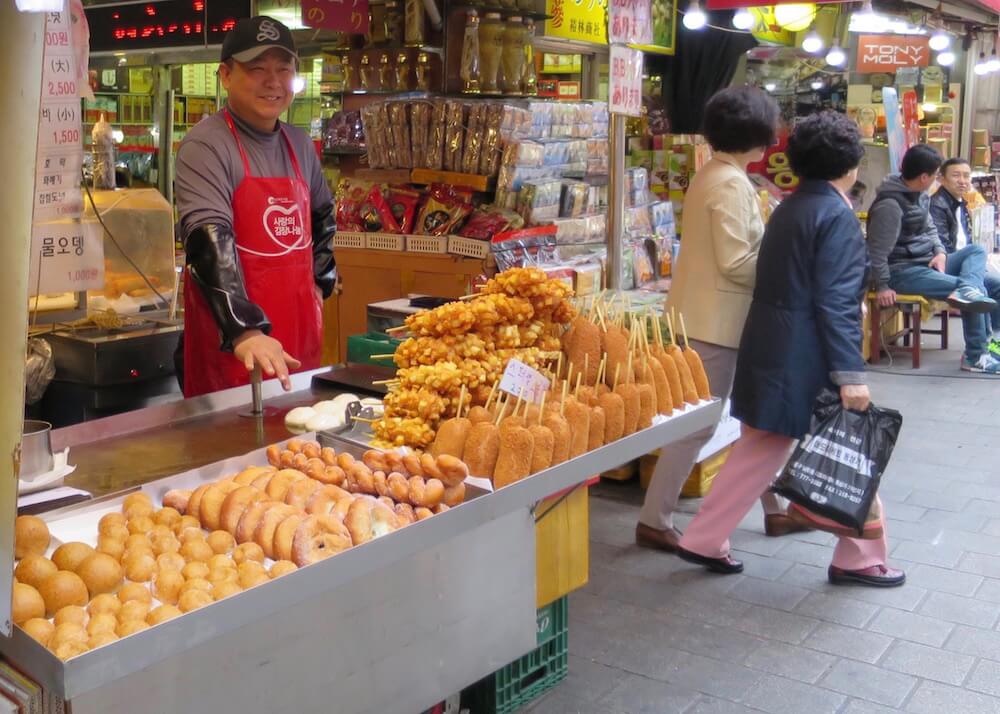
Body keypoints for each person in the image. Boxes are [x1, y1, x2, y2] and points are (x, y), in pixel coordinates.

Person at [676, 112, 905, 588]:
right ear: (852, 164)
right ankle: (859, 556)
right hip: (807, 353)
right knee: (849, 448)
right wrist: (851, 374)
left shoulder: (790, 206)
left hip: (770, 341)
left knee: (760, 445)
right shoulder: (836, 216)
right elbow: (838, 304)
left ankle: (704, 537)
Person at [635, 87, 804, 555]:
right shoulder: (730, 183)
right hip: (715, 321)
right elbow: (735, 261)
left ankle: (774, 509)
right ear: (759, 135)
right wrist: (783, 262)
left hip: (708, 315)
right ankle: (655, 518)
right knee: (700, 425)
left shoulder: (718, 173)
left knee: (754, 419)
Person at [174, 16, 336, 397]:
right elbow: (207, 238)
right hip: (234, 346)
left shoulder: (299, 144)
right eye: (257, 69)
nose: (273, 81)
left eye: (284, 69)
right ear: (225, 75)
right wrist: (243, 329)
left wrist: (320, 281)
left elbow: (322, 216)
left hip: (297, 339)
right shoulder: (207, 145)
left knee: (301, 446)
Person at [867, 145, 999, 374]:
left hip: (927, 261)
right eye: (937, 174)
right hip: (903, 270)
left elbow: (930, 230)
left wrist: (940, 252)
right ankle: (976, 356)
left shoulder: (919, 196)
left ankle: (982, 337)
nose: (937, 179)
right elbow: (877, 252)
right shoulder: (890, 206)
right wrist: (883, 285)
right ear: (924, 177)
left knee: (975, 251)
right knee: (970, 292)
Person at [930, 157, 1000, 355]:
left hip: (962, 264)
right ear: (941, 179)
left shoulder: (960, 204)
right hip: (945, 264)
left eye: (966, 176)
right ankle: (979, 351)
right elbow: (941, 247)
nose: (963, 180)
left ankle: (994, 342)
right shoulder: (937, 205)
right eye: (956, 175)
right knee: (978, 287)